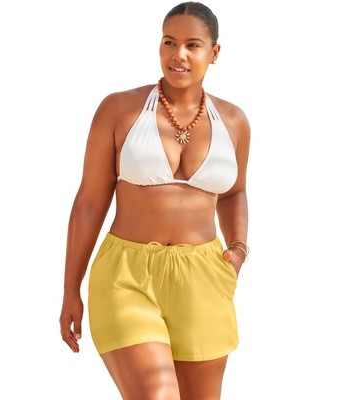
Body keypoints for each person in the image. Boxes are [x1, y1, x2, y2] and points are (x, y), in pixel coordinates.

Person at [59, 2, 251, 399]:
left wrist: (238, 248)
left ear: (214, 52)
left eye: (192, 45)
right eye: (169, 42)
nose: (178, 54)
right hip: (126, 276)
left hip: (203, 276)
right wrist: (69, 289)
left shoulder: (233, 121)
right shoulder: (119, 109)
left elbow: (234, 192)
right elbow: (90, 202)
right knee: (156, 392)